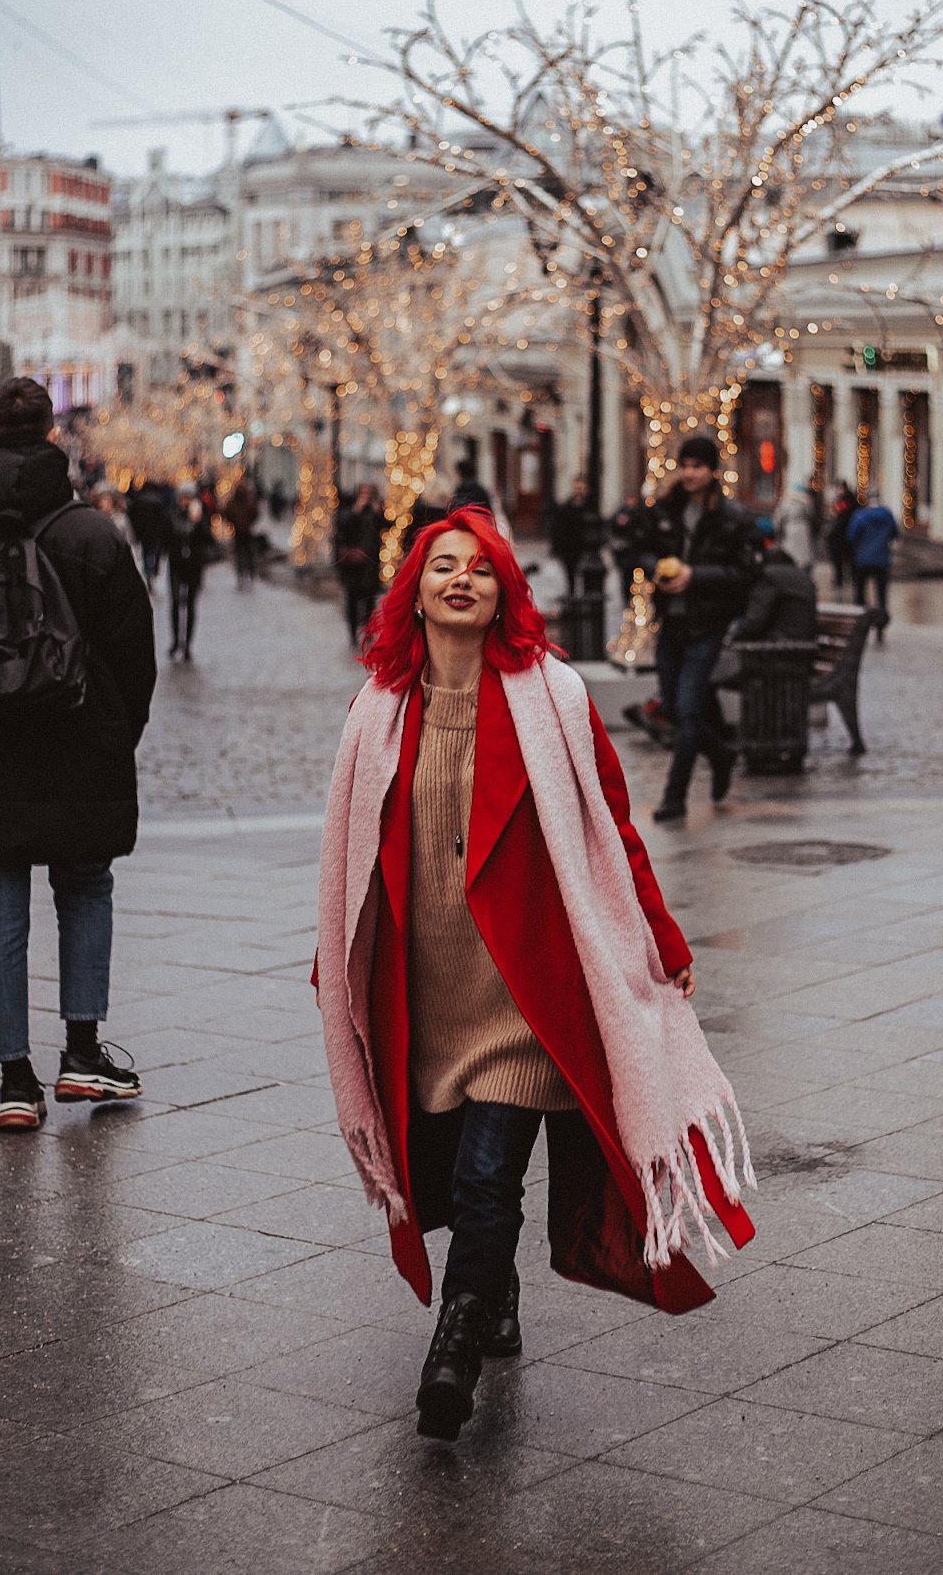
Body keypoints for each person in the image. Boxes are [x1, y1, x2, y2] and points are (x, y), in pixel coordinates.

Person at [314, 506, 755, 1443]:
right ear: (416, 591)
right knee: (453, 1169)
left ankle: (455, 1349)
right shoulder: (377, 712)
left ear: (504, 592)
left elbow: (611, 827)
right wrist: (338, 955)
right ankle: (497, 1291)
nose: (461, 579)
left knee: (488, 1175)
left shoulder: (554, 698)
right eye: (443, 565)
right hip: (430, 988)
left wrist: (663, 939)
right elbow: (347, 860)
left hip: (524, 989)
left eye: (481, 567)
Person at [0, 377, 155, 1130]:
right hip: (81, 744)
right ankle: (81, 1053)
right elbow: (134, 656)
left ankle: (16, 1081)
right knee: (83, 886)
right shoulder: (94, 535)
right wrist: (115, 734)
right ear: (53, 435)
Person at [628, 436, 764, 822]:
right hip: (670, 622)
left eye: (697, 466)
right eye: (684, 465)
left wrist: (696, 576)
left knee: (688, 709)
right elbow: (638, 547)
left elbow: (748, 572)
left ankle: (675, 796)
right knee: (672, 709)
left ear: (713, 471)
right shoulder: (665, 508)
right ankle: (721, 753)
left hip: (707, 626)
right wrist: (655, 569)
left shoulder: (733, 518)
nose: (689, 473)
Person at [165, 482, 214, 661]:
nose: (185, 502)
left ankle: (187, 645)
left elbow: (208, 539)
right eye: (182, 498)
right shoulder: (171, 514)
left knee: (191, 604)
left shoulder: (200, 515)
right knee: (175, 603)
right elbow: (166, 536)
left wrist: (198, 521)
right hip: (176, 565)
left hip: (194, 565)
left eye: (188, 498)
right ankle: (175, 641)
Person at [730, 547, 818, 645]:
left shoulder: (770, 575)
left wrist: (733, 638)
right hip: (805, 644)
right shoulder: (804, 576)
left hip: (778, 644)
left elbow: (755, 620)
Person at [335, 483, 386, 646]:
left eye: (369, 493)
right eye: (363, 493)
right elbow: (342, 528)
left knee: (370, 601)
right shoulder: (350, 509)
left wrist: (379, 512)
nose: (366, 496)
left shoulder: (375, 510)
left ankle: (368, 633)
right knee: (352, 599)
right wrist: (356, 510)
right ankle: (352, 633)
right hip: (353, 565)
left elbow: (387, 526)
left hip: (370, 564)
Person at [845, 487, 898, 638]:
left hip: (863, 559)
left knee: (860, 594)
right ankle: (880, 626)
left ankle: (860, 625)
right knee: (881, 595)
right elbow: (895, 533)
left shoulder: (861, 515)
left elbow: (851, 536)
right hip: (882, 560)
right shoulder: (887, 515)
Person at [549, 476, 589, 594]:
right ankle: (572, 593)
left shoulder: (589, 507)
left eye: (582, 488)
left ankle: (583, 594)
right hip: (569, 547)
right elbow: (558, 528)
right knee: (570, 573)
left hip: (584, 546)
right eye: (577, 487)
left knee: (585, 573)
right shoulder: (566, 507)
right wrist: (556, 548)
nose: (579, 490)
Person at [127, 479, 169, 588]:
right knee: (153, 552)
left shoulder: (139, 499)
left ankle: (148, 571)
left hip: (143, 533)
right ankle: (152, 570)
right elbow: (162, 518)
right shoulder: (158, 500)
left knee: (146, 553)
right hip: (155, 533)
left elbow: (133, 517)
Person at [223, 474, 261, 590]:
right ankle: (249, 573)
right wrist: (248, 523)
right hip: (247, 532)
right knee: (249, 554)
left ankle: (241, 575)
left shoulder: (232, 503)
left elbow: (227, 514)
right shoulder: (249, 502)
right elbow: (255, 514)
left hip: (238, 533)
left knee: (239, 555)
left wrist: (233, 523)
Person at [609, 492, 642, 607]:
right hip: (624, 553)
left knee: (636, 576)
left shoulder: (639, 512)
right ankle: (627, 599)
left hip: (635, 551)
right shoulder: (620, 512)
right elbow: (613, 525)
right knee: (625, 577)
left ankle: (636, 598)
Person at [774, 484, 814, 570]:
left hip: (790, 528)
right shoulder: (805, 501)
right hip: (802, 528)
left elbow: (779, 517)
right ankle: (802, 568)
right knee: (803, 554)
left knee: (791, 551)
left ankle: (791, 567)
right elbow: (811, 514)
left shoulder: (785, 502)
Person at [825, 480, 857, 588]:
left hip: (843, 536)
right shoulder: (845, 500)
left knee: (845, 559)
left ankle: (842, 578)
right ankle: (841, 578)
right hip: (842, 537)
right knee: (843, 560)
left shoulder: (847, 502)